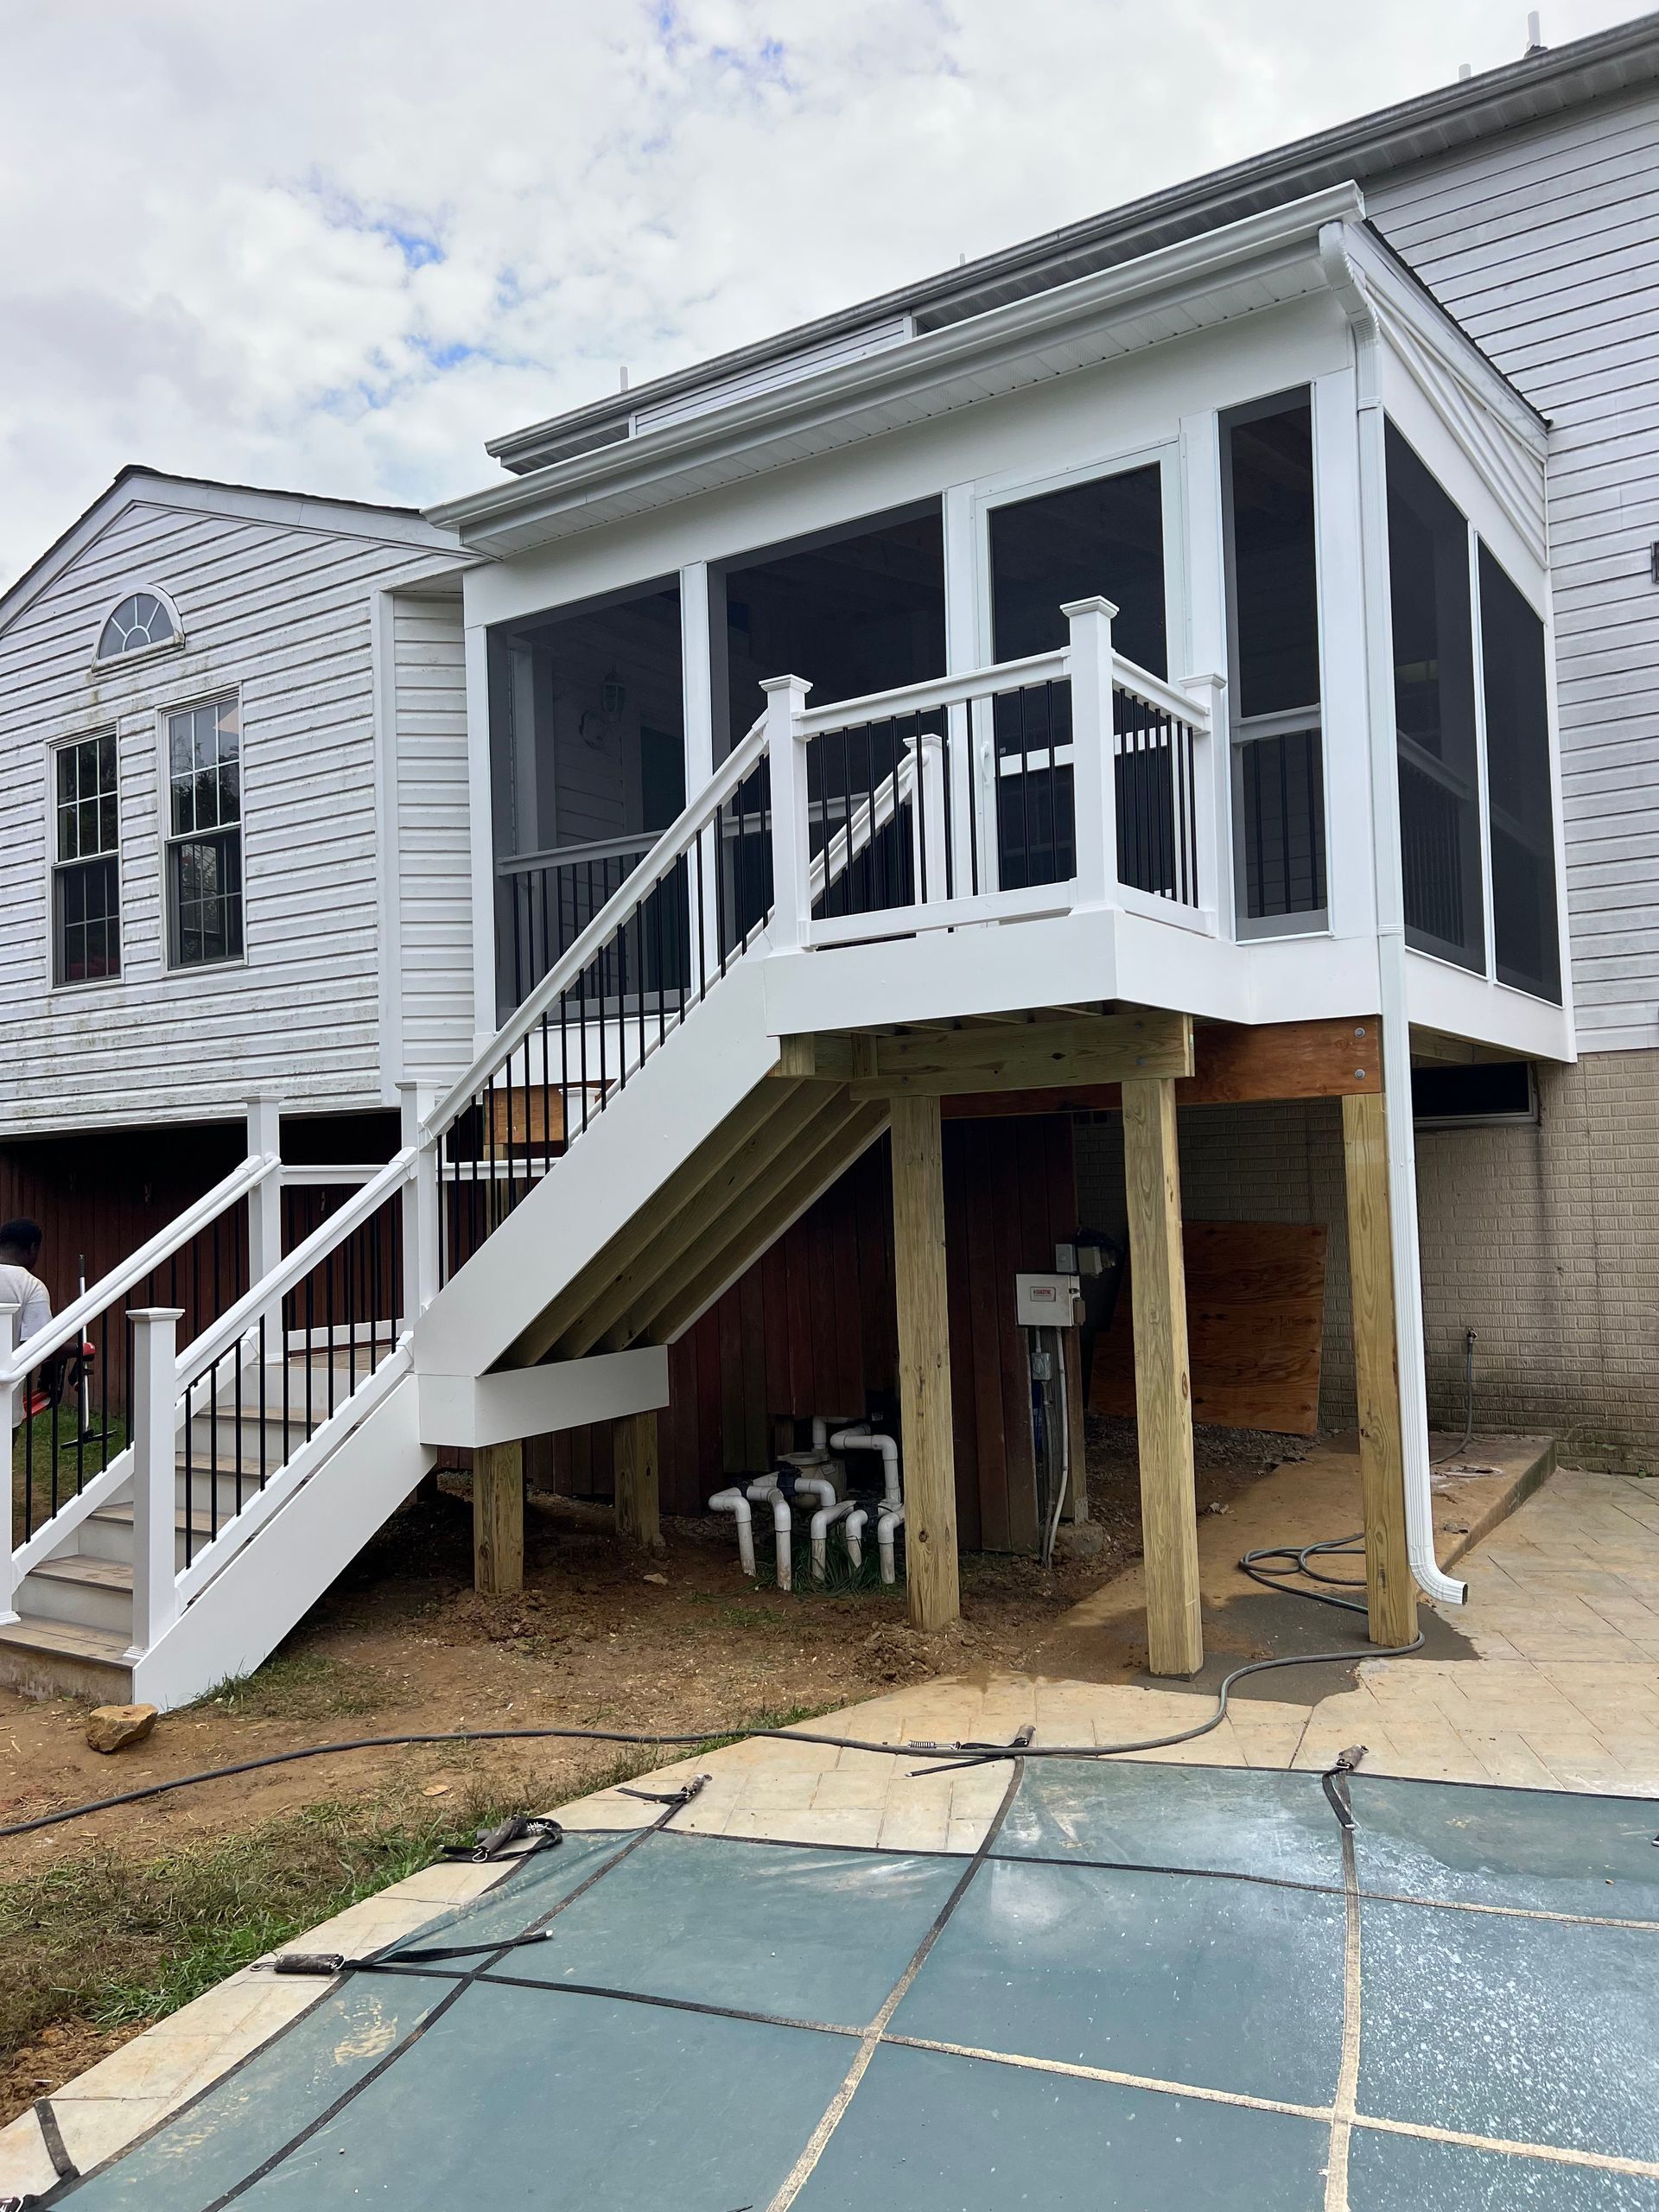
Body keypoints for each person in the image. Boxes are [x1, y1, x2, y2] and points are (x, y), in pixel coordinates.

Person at [0, 1219, 52, 1427]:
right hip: (4, 1405)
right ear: (33, 1248)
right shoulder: (31, 1286)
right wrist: (78, 1350)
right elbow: (39, 1346)